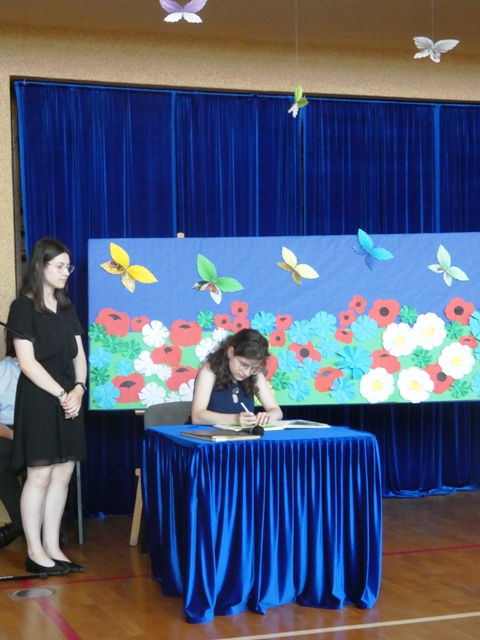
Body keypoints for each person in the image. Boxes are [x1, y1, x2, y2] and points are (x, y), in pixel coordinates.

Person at [7, 237, 87, 576]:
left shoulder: (66, 307)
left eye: (68, 266)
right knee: (39, 474)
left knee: (64, 472)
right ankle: (35, 551)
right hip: (40, 397)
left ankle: (53, 547)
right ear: (40, 266)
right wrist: (61, 393)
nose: (66, 272)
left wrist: (79, 389)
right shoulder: (22, 307)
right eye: (59, 266)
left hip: (69, 396)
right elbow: (27, 362)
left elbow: (79, 355)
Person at [191, 328, 283, 427]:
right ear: (230, 352)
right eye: (243, 364)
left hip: (240, 435)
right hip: (206, 434)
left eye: (253, 368)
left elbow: (277, 412)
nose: (247, 373)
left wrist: (268, 416)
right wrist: (234, 419)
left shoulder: (255, 374)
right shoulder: (209, 371)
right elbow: (197, 417)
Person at [0, 342, 22, 548]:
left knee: (46, 466)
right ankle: (21, 524)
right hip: (8, 432)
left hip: (41, 433)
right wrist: (17, 437)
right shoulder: (1, 371)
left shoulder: (49, 369)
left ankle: (22, 527)